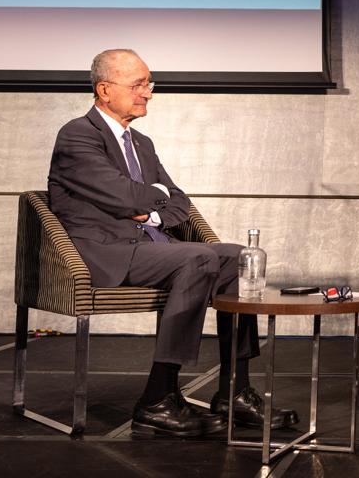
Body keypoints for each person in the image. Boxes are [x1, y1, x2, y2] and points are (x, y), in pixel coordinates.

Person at [48, 48, 298, 438]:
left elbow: (178, 201)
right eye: (137, 84)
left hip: (149, 245)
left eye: (149, 83)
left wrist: (153, 211)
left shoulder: (142, 143)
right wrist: (150, 196)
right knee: (196, 257)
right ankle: (158, 398)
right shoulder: (77, 135)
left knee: (239, 257)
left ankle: (235, 390)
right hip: (103, 253)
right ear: (104, 89)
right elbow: (123, 196)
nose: (147, 92)